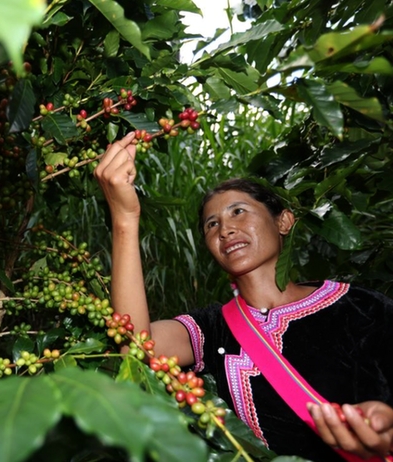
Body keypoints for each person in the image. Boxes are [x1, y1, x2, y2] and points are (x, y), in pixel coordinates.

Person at [94, 131, 393, 461]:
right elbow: (134, 347)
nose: (225, 229)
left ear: (284, 220)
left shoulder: (362, 307)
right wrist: (125, 218)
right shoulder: (210, 328)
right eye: (212, 224)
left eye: (239, 211)